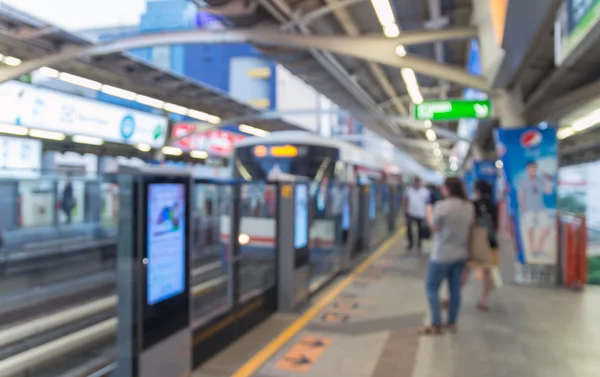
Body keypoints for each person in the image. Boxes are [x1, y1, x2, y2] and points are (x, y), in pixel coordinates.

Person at [419, 177, 474, 334]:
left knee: (431, 288)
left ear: (448, 189)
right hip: (461, 254)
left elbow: (434, 227)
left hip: (442, 255)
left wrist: (429, 213)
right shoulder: (468, 207)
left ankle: (436, 323)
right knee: (455, 290)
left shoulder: (442, 206)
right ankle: (451, 323)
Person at [518, 160, 552, 255]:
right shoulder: (524, 181)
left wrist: (548, 180)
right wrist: (523, 208)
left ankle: (539, 246)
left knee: (547, 228)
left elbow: (548, 191)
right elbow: (521, 195)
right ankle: (533, 249)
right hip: (529, 209)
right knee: (530, 229)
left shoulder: (540, 180)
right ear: (527, 169)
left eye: (534, 168)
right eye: (530, 168)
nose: (532, 170)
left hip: (540, 208)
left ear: (536, 169)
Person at [403, 177, 430, 252]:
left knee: (420, 229)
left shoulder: (425, 191)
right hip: (410, 213)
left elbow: (428, 204)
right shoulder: (408, 190)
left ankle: (419, 243)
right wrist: (405, 209)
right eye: (415, 182)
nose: (416, 184)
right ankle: (411, 243)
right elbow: (405, 200)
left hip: (421, 214)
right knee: (409, 228)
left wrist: (427, 215)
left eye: (418, 182)